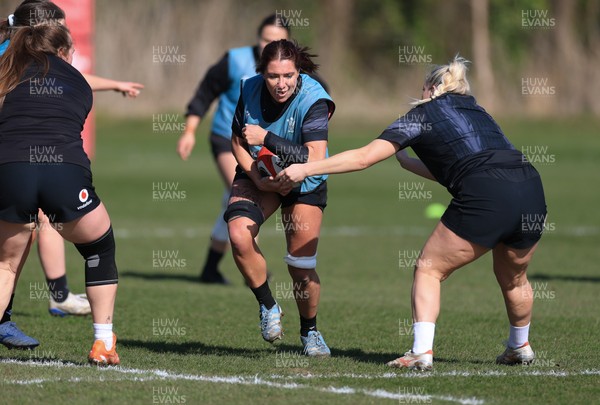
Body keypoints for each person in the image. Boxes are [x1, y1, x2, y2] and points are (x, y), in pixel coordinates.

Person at [278, 56, 547, 369]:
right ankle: (520, 346)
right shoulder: (477, 110)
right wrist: (408, 162)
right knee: (513, 278)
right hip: (530, 188)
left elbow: (364, 157)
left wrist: (306, 169)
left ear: (431, 89)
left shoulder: (421, 115)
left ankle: (421, 352)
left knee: (429, 269)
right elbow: (468, 168)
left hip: (488, 195)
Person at [0, 0, 142, 350]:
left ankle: (55, 295)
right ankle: (102, 340)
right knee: (98, 247)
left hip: (9, 168)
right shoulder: (67, 77)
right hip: (62, 169)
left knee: (6, 261)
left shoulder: (10, 64)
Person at [224, 39, 335, 357]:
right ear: (262, 74)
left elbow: (313, 157)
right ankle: (268, 306)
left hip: (306, 180)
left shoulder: (314, 99)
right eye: (273, 76)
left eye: (288, 75)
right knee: (238, 234)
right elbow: (237, 141)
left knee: (300, 266)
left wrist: (266, 137)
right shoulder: (250, 89)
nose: (281, 84)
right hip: (262, 171)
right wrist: (257, 177)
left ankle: (310, 331)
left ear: (298, 71)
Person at [177, 14, 290, 284]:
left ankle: (210, 268)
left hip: (266, 145)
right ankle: (256, 269)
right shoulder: (235, 60)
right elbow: (205, 93)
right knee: (249, 196)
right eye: (265, 39)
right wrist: (189, 131)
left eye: (278, 41)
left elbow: (318, 92)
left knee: (234, 200)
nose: (270, 45)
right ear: (257, 38)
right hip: (228, 140)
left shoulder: (290, 67)